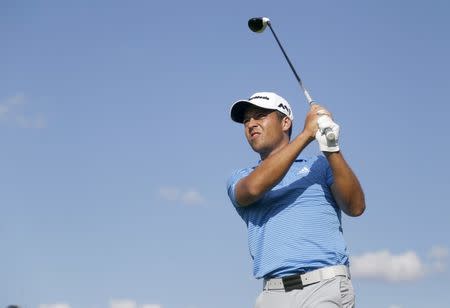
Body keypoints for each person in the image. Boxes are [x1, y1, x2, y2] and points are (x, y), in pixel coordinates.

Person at [226, 92, 365, 308]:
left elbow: (355, 207)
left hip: (324, 286)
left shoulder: (320, 166)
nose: (251, 124)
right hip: (272, 294)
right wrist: (306, 135)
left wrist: (331, 148)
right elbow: (253, 189)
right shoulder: (242, 177)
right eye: (246, 120)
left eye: (260, 116)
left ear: (285, 122)